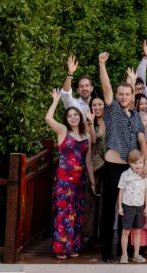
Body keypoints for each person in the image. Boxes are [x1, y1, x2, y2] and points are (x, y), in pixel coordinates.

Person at [97, 53, 147, 263]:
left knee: (126, 210)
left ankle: (123, 252)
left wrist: (145, 162)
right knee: (108, 209)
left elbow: (142, 140)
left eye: (128, 94)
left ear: (132, 96)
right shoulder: (112, 109)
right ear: (117, 96)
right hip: (113, 166)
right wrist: (102, 64)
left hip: (130, 169)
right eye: (121, 94)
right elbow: (106, 87)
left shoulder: (136, 116)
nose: (124, 96)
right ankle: (107, 252)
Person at [46, 89, 93, 259]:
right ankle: (61, 248)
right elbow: (48, 119)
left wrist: (92, 182)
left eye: (76, 115)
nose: (73, 117)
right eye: (70, 115)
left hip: (79, 181)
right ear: (66, 119)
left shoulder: (86, 135)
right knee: (63, 213)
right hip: (63, 180)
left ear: (80, 117)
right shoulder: (62, 132)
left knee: (77, 214)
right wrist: (56, 101)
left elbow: (87, 161)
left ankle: (73, 246)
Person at [117, 149, 147, 263]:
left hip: (140, 206)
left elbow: (146, 191)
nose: (138, 165)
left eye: (140, 162)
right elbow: (120, 191)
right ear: (130, 163)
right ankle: (124, 255)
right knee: (126, 231)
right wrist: (120, 206)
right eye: (135, 163)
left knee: (137, 231)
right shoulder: (125, 175)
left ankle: (136, 254)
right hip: (128, 206)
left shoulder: (144, 175)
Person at [82, 96, 106, 245]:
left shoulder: (110, 120)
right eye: (94, 105)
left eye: (100, 104)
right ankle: (90, 234)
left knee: (105, 202)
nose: (97, 107)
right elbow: (93, 139)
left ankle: (102, 234)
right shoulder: (88, 122)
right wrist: (90, 122)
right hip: (95, 165)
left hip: (109, 164)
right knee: (92, 200)